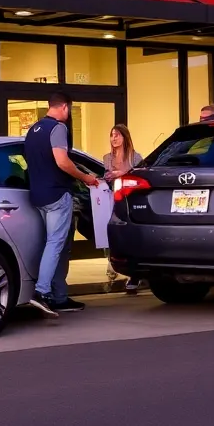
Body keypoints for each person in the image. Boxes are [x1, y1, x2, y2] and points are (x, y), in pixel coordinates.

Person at [24, 92, 99, 316]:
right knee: (56, 244)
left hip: (37, 196)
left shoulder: (33, 130)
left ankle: (59, 296)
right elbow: (62, 161)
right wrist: (86, 178)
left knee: (53, 245)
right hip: (57, 195)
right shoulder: (58, 129)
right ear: (65, 107)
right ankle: (42, 293)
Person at [102, 124, 145, 293]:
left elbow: (139, 174)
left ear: (125, 137)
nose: (114, 138)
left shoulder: (135, 157)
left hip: (131, 199)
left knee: (131, 235)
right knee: (113, 232)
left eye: (117, 135)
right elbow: (104, 177)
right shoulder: (107, 158)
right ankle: (112, 265)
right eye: (112, 135)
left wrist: (121, 173)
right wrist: (108, 176)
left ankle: (134, 274)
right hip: (112, 198)